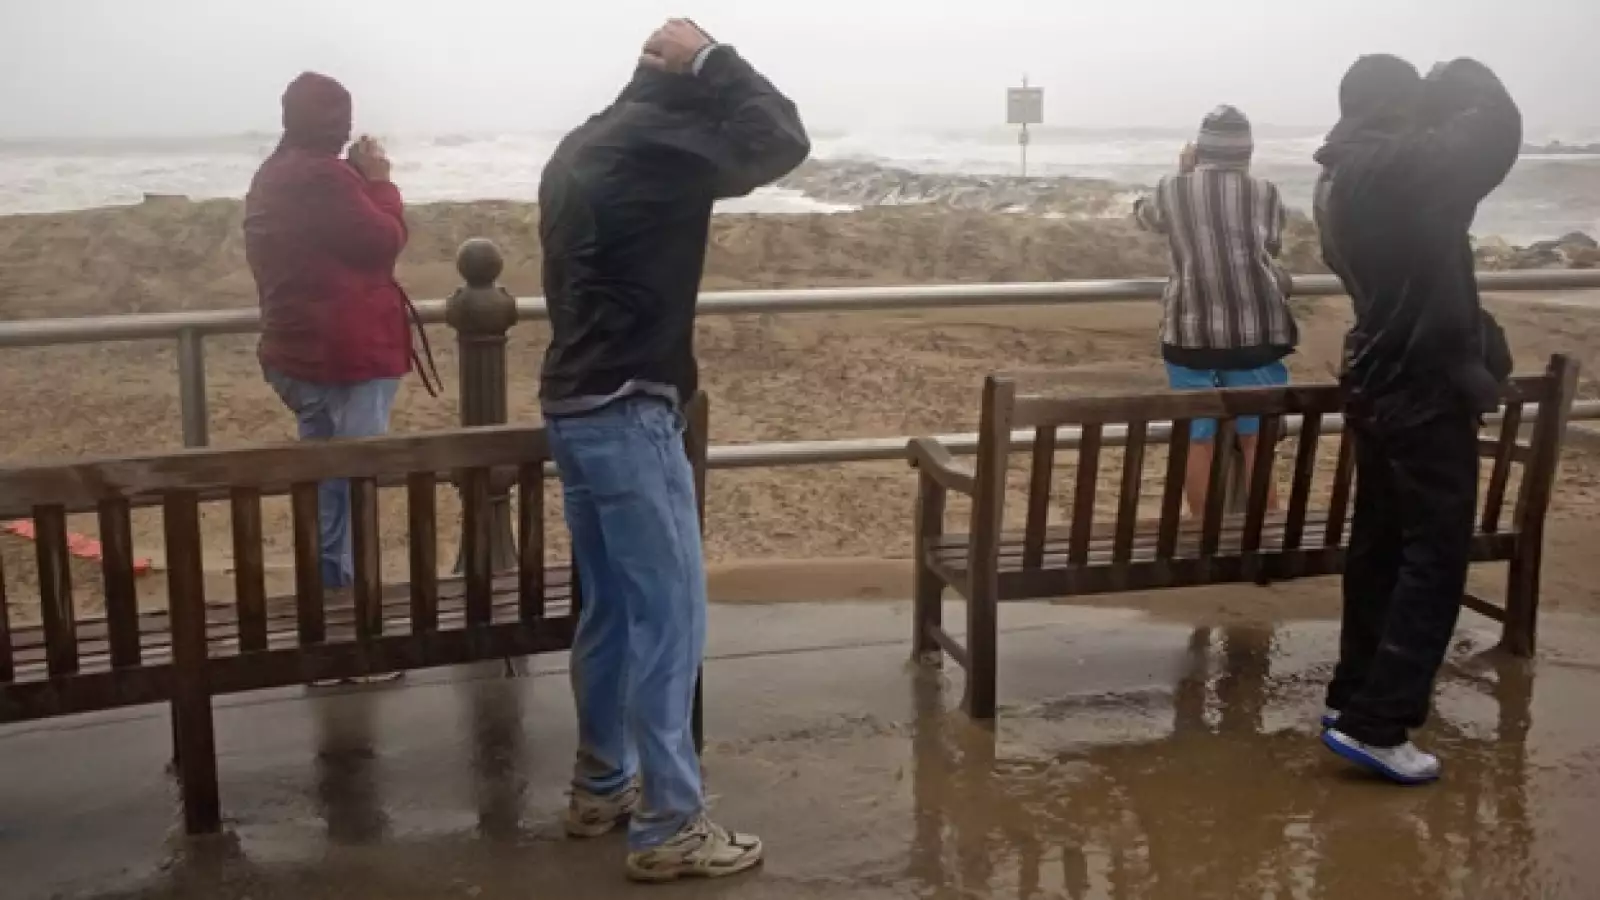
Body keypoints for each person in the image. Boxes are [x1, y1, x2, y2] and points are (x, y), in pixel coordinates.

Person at [537, 19, 809, 882]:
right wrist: (715, 60)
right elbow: (780, 139)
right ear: (689, 99)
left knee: (613, 609)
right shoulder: (663, 145)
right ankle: (669, 826)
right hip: (630, 404)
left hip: (573, 402)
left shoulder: (586, 142)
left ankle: (602, 784)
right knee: (671, 618)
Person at [1313, 55, 1519, 784]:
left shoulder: (1342, 171)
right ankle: (1380, 722)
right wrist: (1465, 77)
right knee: (1433, 558)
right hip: (1421, 389)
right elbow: (1494, 136)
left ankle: (1352, 699)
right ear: (1398, 110)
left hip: (1380, 380)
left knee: (1380, 549)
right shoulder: (1390, 170)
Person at [245, 72, 438, 597]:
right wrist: (378, 181)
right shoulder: (327, 179)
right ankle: (347, 610)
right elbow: (381, 240)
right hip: (348, 357)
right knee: (354, 482)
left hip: (294, 353)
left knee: (327, 476)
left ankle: (327, 590)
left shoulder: (273, 173)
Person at [1135, 105, 1298, 516]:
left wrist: (1186, 173)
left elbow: (1144, 216)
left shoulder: (1173, 188)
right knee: (1257, 437)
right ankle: (1264, 534)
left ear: (1201, 149)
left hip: (1190, 331)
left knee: (1197, 437)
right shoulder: (1266, 193)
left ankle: (1207, 537)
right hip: (1254, 331)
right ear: (1246, 151)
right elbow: (1272, 243)